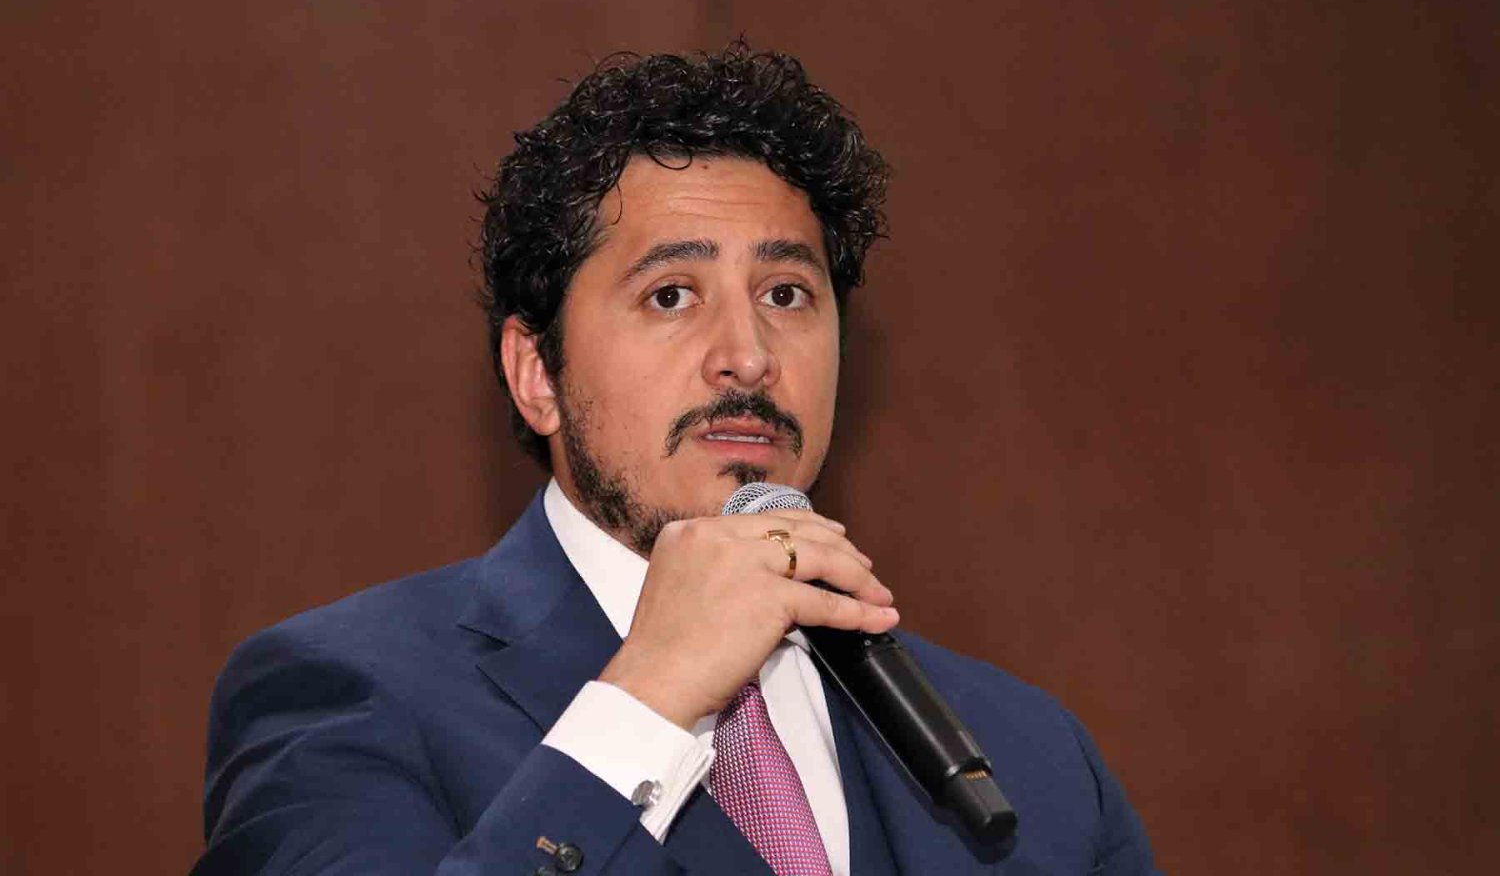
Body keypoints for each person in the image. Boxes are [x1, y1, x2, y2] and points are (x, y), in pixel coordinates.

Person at [194, 43, 1158, 875]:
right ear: (537, 374)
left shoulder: (1031, 756)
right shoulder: (345, 698)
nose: (748, 355)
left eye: (786, 294)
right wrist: (650, 697)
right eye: (671, 295)